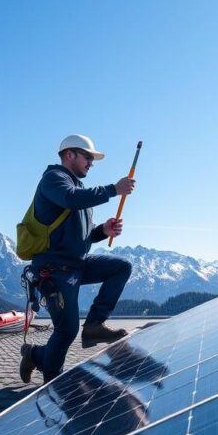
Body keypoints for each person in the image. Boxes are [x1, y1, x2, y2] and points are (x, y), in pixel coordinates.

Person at [19, 134, 137, 383]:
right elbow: (71, 199)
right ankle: (49, 377)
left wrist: (101, 231)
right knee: (67, 329)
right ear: (69, 155)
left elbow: (81, 236)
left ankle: (94, 325)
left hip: (76, 264)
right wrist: (113, 190)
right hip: (54, 269)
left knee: (121, 267)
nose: (91, 163)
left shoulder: (78, 190)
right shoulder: (54, 179)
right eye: (88, 157)